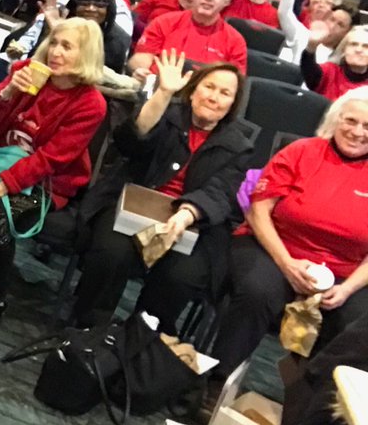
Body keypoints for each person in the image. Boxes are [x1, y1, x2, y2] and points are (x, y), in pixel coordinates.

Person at [0, 18, 108, 339]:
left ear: (86, 54)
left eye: (67, 46)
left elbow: (51, 159)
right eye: (54, 42)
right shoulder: (27, 70)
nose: (55, 51)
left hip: (46, 180)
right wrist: (9, 91)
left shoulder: (90, 103)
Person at [70, 55, 251, 330]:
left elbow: (221, 191)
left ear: (233, 104)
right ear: (193, 90)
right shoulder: (163, 110)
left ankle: (141, 337)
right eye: (209, 87)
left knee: (182, 276)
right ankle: (87, 328)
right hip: (130, 202)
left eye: (225, 93)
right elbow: (131, 142)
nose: (214, 97)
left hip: (191, 222)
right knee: (112, 253)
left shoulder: (238, 145)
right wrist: (164, 93)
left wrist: (188, 213)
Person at [208, 89, 368, 384]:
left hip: (345, 274)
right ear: (336, 120)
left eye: (367, 126)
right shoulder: (302, 151)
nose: (358, 132)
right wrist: (287, 264)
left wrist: (346, 290)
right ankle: (216, 381)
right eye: (350, 121)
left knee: (359, 326)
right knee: (258, 292)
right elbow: (258, 212)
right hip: (275, 248)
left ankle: (313, 413)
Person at [0, 0, 128, 103]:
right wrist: (52, 32)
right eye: (85, 3)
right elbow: (36, 58)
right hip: (41, 76)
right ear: (75, 5)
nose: (91, 9)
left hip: (75, 92)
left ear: (109, 10)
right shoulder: (59, 20)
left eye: (99, 5)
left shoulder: (117, 40)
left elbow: (97, 78)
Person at [130, 0, 248, 74]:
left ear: (227, 1)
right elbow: (141, 59)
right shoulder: (163, 22)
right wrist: (140, 71)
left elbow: (233, 83)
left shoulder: (235, 41)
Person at [302, 24, 368, 101]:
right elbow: (310, 74)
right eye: (353, 44)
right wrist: (311, 46)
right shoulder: (330, 71)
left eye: (366, 46)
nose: (358, 50)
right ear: (343, 51)